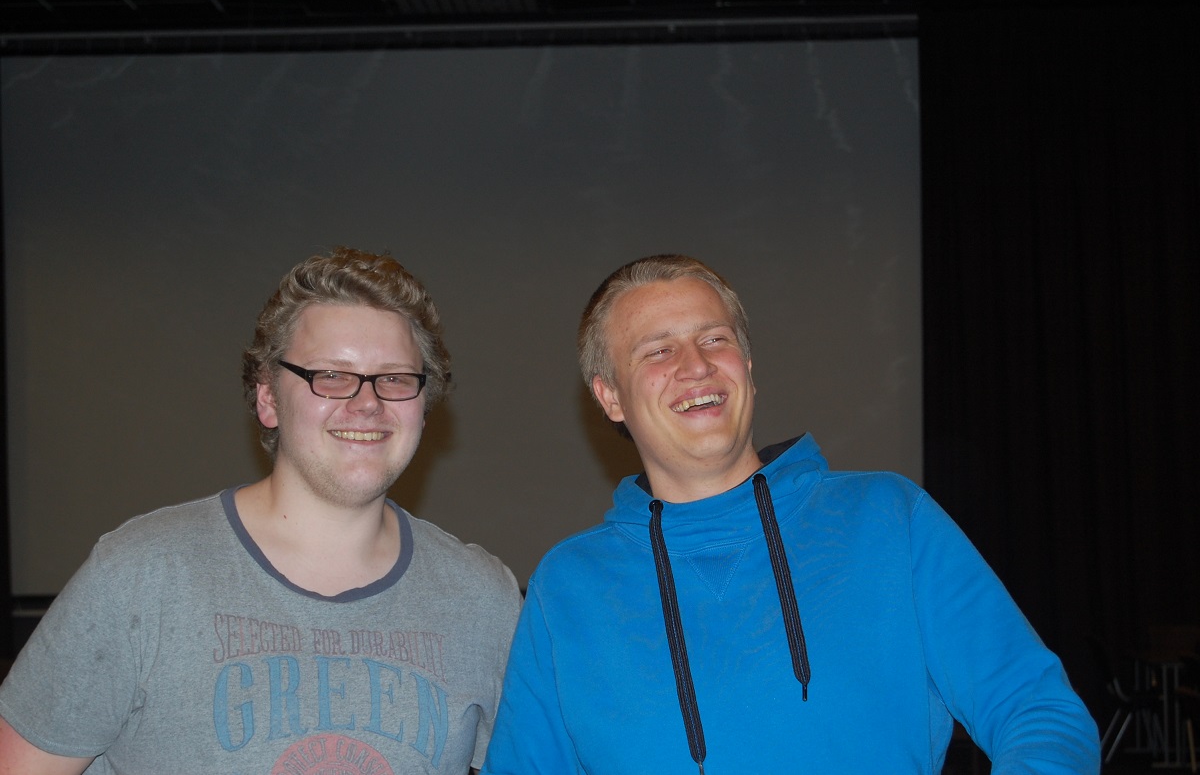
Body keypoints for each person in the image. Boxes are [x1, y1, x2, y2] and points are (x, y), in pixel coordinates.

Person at [482, 254, 1099, 774]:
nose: (695, 365)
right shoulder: (567, 588)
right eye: (658, 350)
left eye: (715, 339)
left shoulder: (890, 519)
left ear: (747, 368)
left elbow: (1038, 712)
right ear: (610, 396)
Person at [0, 248, 522, 774]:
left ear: (423, 408)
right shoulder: (140, 577)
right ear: (268, 398)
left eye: (395, 378)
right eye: (331, 375)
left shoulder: (482, 599)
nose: (368, 402)